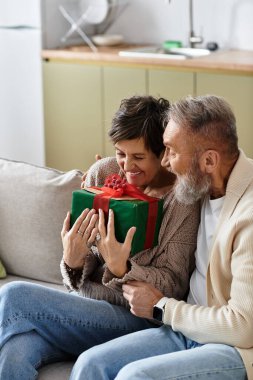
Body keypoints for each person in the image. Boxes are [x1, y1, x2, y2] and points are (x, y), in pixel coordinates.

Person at [0, 95, 200, 379]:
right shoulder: (103, 172)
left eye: (139, 157)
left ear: (163, 154)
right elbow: (78, 273)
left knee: (13, 295)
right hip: (84, 306)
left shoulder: (183, 201)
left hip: (137, 319)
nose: (126, 166)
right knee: (15, 351)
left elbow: (174, 286)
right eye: (120, 153)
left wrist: (123, 269)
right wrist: (72, 258)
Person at [69, 94, 253, 380]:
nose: (164, 163)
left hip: (233, 348)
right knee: (90, 365)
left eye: (171, 151)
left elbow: (242, 326)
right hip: (184, 330)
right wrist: (101, 184)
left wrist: (161, 307)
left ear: (208, 160)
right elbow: (131, 158)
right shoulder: (203, 186)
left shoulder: (248, 216)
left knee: (135, 376)